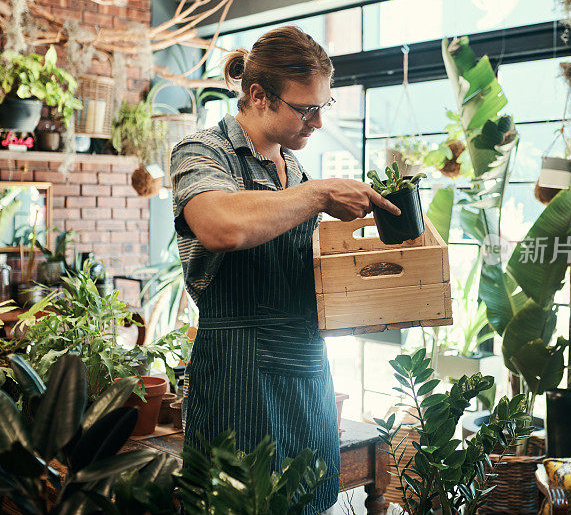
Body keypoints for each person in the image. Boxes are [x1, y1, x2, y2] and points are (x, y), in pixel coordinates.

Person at [169, 26, 399, 514]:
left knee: (308, 499)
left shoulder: (295, 172)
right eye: (305, 108)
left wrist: (379, 282)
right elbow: (219, 226)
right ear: (258, 95)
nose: (317, 122)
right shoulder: (204, 152)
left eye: (324, 106)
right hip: (236, 374)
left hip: (307, 370)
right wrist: (318, 196)